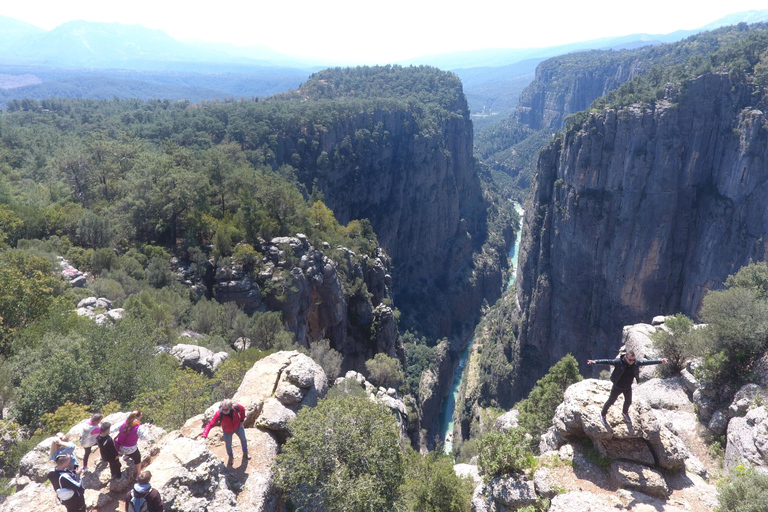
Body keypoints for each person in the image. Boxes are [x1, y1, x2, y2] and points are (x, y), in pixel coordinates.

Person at [588, 350, 668, 421]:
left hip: (627, 387)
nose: (632, 361)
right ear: (626, 357)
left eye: (633, 360)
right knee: (611, 401)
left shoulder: (636, 363)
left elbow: (647, 362)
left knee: (628, 401)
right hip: (617, 386)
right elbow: (607, 361)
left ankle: (624, 412)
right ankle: (602, 414)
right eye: (630, 360)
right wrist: (595, 362)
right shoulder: (618, 362)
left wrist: (660, 361)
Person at [202, 399, 249, 464]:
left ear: (230, 407)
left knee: (243, 439)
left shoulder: (236, 407)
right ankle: (231, 457)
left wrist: (242, 420)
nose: (224, 411)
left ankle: (245, 453)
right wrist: (204, 436)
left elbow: (243, 409)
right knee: (228, 445)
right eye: (223, 409)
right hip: (227, 431)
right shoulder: (219, 414)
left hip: (238, 427)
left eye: (226, 409)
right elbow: (210, 424)